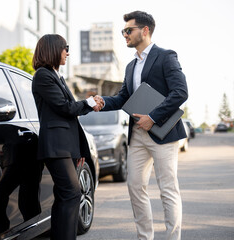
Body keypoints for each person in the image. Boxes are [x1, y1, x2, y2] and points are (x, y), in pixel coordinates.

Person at [94, 11, 188, 240]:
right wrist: (102, 102)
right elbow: (123, 98)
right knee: (135, 187)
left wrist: (153, 117)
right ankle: (145, 237)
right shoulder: (130, 66)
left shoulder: (166, 56)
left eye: (128, 30)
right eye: (123, 31)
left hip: (162, 133)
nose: (124, 34)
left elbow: (180, 92)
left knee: (168, 189)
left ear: (145, 31)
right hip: (137, 136)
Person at [31, 34, 97, 240]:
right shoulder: (43, 75)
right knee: (71, 193)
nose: (67, 52)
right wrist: (89, 103)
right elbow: (65, 108)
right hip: (55, 146)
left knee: (64, 195)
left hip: (64, 147)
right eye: (64, 48)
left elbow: (69, 116)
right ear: (52, 49)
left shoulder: (55, 75)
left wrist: (77, 151)